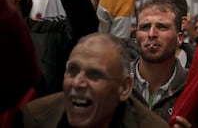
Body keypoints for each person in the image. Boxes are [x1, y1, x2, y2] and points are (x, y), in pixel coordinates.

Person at [13, 33, 169, 127]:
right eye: (73, 70)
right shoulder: (31, 118)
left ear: (124, 87)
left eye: (94, 74)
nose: (77, 83)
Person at [131, 0, 186, 123]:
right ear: (135, 37)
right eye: (144, 27)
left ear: (179, 38)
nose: (151, 34)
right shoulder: (116, 82)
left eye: (162, 27)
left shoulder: (194, 87)